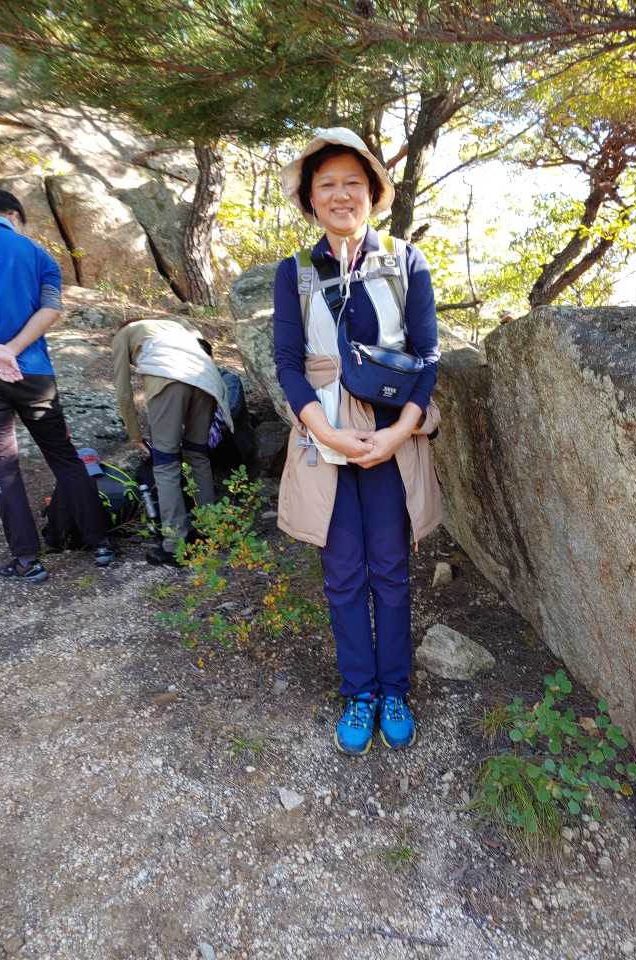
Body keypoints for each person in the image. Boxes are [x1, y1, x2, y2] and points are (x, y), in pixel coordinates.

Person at [273, 128, 442, 755]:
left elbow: (427, 354)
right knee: (343, 571)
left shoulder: (406, 263)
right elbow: (288, 361)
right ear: (311, 200)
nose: (341, 194)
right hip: (325, 434)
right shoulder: (293, 273)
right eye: (327, 185)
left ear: (372, 193)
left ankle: (394, 686)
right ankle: (360, 692)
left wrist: (399, 431)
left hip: (394, 434)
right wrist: (324, 431)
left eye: (353, 182)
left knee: (392, 569)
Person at [0, 188, 115, 583]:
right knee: (64, 457)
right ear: (14, 215)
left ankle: (27, 560)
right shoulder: (38, 254)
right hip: (35, 372)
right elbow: (52, 308)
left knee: (2, 466)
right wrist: (13, 349)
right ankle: (101, 545)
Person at [111, 316, 233, 566]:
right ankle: (210, 531)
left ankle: (175, 545)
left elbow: (123, 389)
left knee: (165, 462)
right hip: (207, 379)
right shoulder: (176, 326)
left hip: (168, 378)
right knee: (197, 454)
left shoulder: (124, 334)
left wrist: (134, 434)